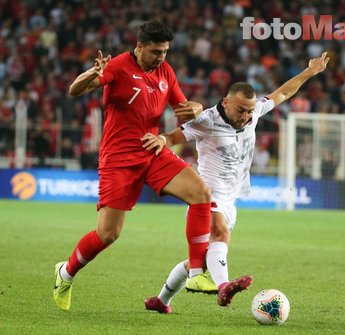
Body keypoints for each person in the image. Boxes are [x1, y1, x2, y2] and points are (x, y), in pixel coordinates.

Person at [142, 52, 330, 313]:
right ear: (227, 102)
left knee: (206, 260)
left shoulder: (253, 114)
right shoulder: (207, 120)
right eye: (240, 110)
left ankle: (160, 301)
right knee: (221, 233)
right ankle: (224, 288)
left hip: (231, 198)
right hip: (206, 194)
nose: (245, 116)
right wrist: (162, 140)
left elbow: (283, 93)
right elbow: (175, 135)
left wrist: (311, 71)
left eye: (249, 111)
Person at [53, 21, 212, 311]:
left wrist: (197, 107)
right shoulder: (117, 66)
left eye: (164, 51)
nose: (160, 57)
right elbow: (75, 91)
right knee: (108, 235)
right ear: (139, 47)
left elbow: (183, 109)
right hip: (118, 159)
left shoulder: (165, 72)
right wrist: (91, 73)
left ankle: (198, 272)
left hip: (152, 149)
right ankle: (65, 273)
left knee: (200, 193)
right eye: (154, 52)